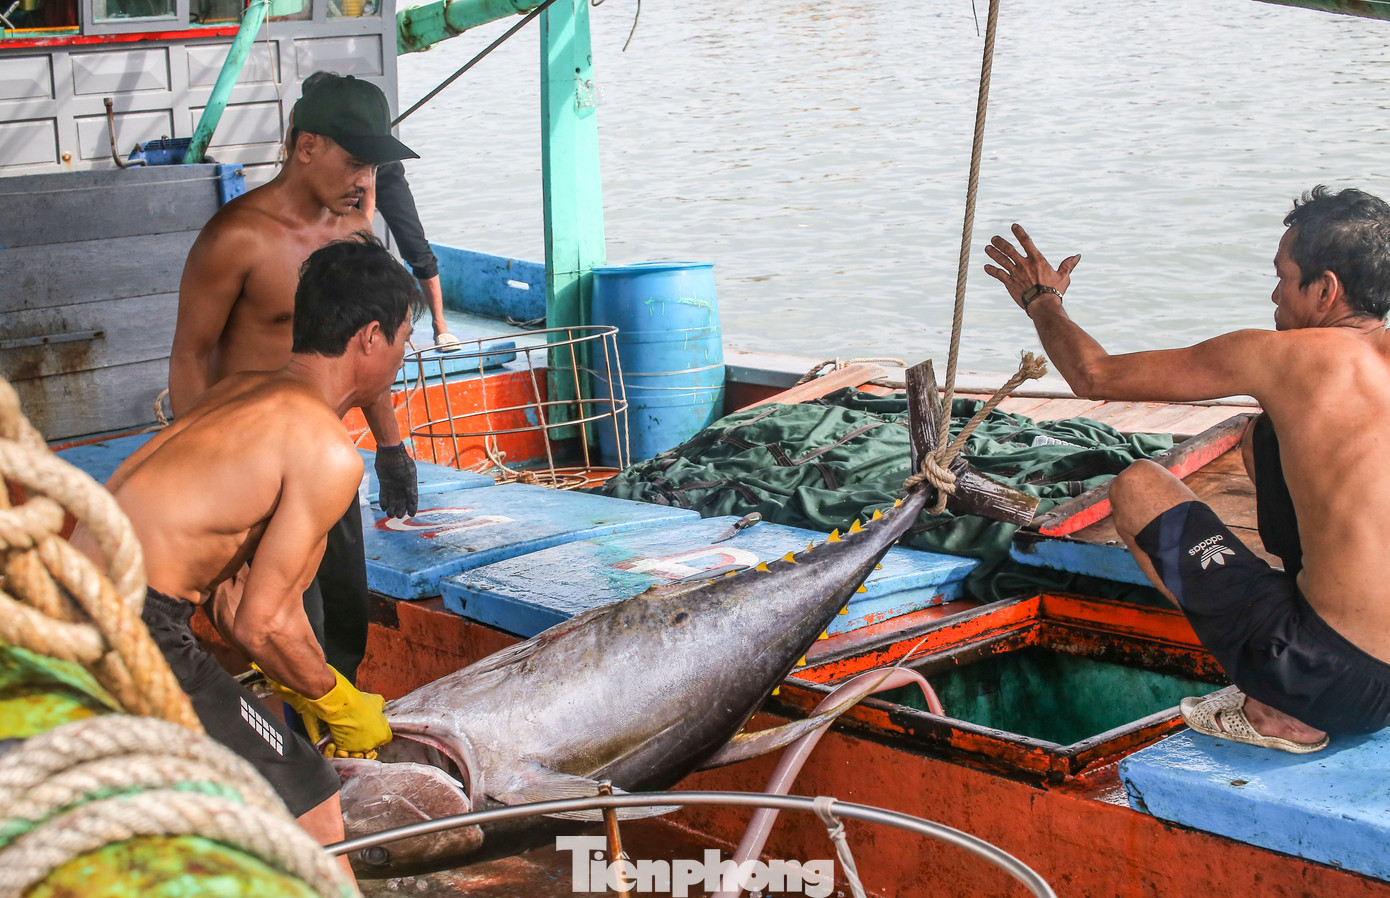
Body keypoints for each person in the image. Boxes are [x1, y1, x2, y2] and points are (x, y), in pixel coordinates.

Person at [984, 186, 1390, 752]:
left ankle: (1279, 709)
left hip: (1324, 679)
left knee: (1138, 486)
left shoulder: (1284, 355)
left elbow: (1094, 375)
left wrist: (1041, 300)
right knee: (1263, 435)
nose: (1273, 295)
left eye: (1282, 276)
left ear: (1325, 290)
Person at [95, 238, 417, 875]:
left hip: (65, 600)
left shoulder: (236, 391)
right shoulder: (326, 452)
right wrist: (338, 701)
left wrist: (293, 677)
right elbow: (259, 623)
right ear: (371, 338)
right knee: (307, 789)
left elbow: (228, 589)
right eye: (405, 339)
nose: (404, 358)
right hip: (129, 630)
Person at [170, 72, 421, 685]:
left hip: (324, 463)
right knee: (284, 625)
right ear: (306, 146)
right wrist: (206, 484)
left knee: (345, 623)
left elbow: (370, 357)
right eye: (356, 163)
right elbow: (189, 358)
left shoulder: (355, 232)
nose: (366, 183)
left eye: (374, 170)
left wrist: (391, 448)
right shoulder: (237, 237)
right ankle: (303, 760)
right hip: (252, 469)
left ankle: (339, 749)